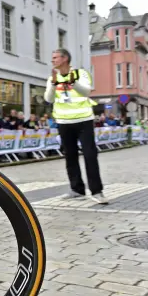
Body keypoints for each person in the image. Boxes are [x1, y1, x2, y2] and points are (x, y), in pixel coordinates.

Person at [44, 48, 107, 204]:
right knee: (70, 156)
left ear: (65, 58)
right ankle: (77, 189)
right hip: (64, 121)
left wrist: (73, 82)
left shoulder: (80, 74)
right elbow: (49, 99)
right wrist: (53, 83)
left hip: (84, 120)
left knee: (90, 155)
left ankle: (97, 191)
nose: (52, 60)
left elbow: (86, 92)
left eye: (55, 57)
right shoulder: (52, 77)